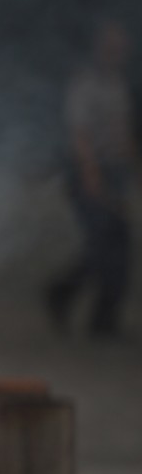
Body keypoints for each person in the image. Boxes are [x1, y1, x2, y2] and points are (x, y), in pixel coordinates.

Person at [47, 21, 140, 338]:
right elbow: (80, 135)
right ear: (99, 48)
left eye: (121, 46)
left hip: (114, 172)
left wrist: (132, 170)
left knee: (119, 245)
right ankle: (70, 298)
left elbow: (124, 132)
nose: (117, 52)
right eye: (111, 45)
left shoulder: (119, 84)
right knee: (102, 245)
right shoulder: (84, 85)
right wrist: (91, 177)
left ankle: (97, 315)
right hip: (87, 173)